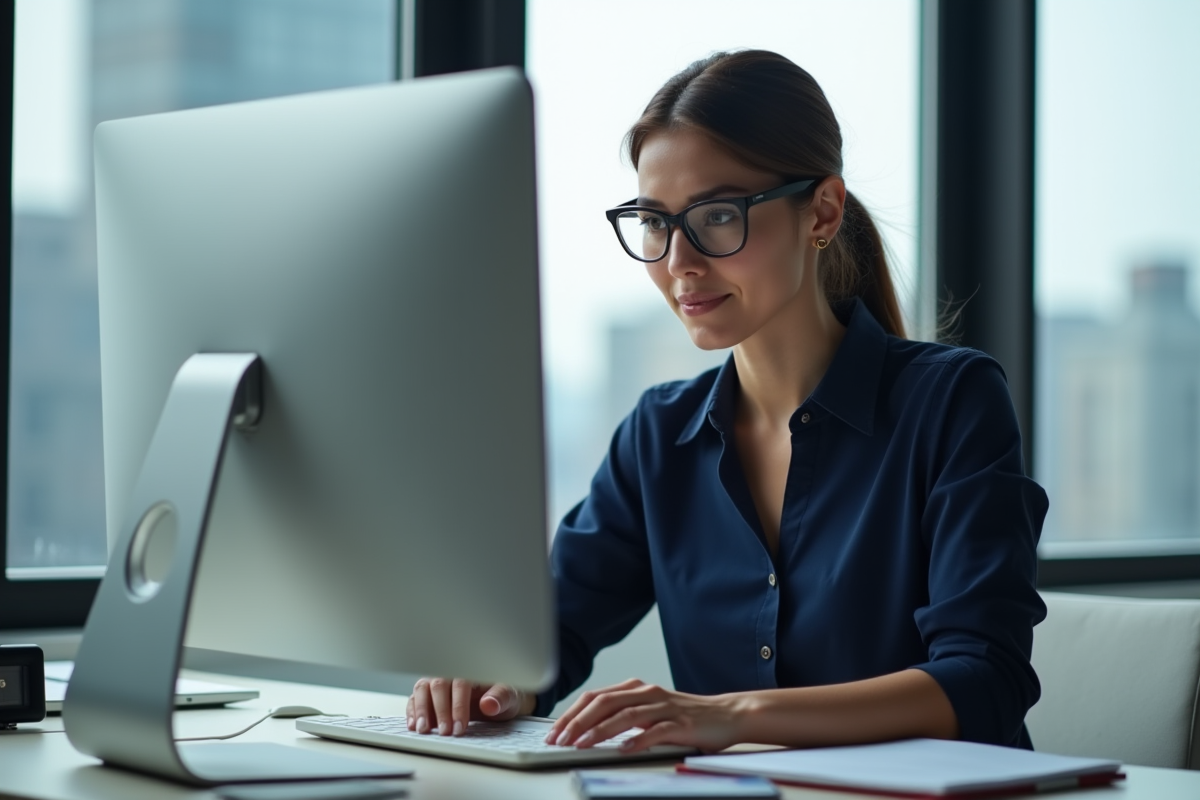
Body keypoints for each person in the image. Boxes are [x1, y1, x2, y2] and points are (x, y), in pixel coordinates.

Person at [406, 49, 1048, 753]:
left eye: (717, 215)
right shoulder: (659, 434)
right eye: (655, 221)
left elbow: (983, 679)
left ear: (822, 212)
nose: (679, 261)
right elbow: (551, 631)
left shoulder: (951, 402)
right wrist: (490, 679)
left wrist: (728, 716)